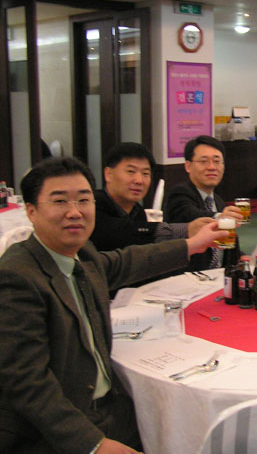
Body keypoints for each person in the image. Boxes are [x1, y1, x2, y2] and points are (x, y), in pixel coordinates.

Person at [0, 157, 227, 454]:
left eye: (84, 200)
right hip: (55, 431)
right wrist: (93, 445)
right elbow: (27, 383)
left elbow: (125, 262)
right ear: (31, 211)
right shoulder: (17, 277)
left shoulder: (82, 254)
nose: (75, 212)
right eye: (60, 201)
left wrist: (192, 244)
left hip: (111, 406)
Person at [91, 142, 212, 252]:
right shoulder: (93, 206)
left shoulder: (138, 212)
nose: (139, 180)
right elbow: (123, 233)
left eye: (145, 173)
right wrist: (186, 229)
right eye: (131, 171)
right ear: (108, 174)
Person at [165, 135, 243, 271]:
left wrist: (242, 259)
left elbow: (226, 243)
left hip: (217, 276)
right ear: (188, 166)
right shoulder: (179, 193)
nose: (212, 167)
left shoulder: (218, 201)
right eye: (204, 161)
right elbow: (191, 214)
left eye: (217, 161)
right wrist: (219, 217)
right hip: (188, 276)